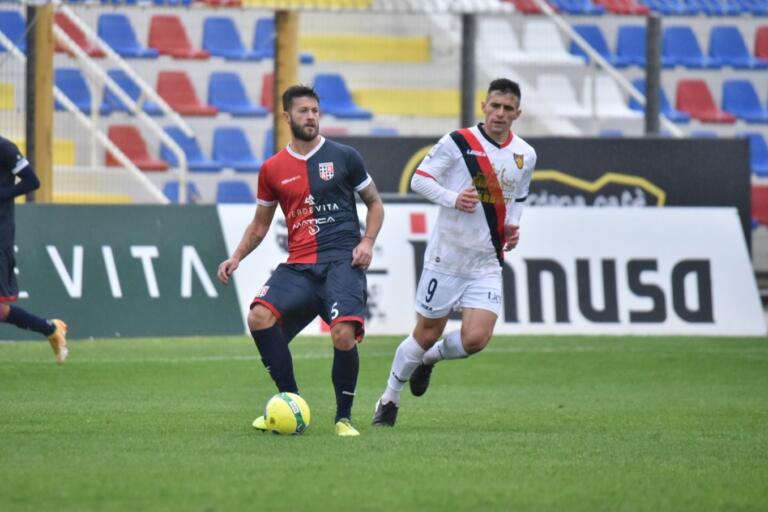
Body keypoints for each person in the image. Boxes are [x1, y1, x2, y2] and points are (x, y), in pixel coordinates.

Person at [218, 85, 384, 437]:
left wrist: (367, 241)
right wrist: (236, 257)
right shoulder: (272, 169)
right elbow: (260, 225)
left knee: (343, 334)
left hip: (342, 262)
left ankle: (343, 419)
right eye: (303, 111)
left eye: (314, 111)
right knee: (258, 316)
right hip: (300, 265)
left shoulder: (345, 156)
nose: (311, 117)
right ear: (287, 117)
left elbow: (375, 204)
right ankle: (291, 403)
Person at [372, 78, 536, 427]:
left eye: (508, 108)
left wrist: (512, 225)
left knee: (476, 339)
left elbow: (519, 196)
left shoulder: (525, 154)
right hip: (446, 258)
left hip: (486, 262)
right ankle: (389, 397)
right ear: (483, 106)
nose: (500, 113)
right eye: (495, 106)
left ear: (517, 114)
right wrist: (452, 198)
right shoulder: (459, 142)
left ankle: (429, 360)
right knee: (426, 332)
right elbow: (419, 179)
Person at [0, 136, 68, 363]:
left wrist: (2, 195)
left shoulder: (5, 148)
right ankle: (50, 329)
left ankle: (51, 329)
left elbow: (32, 181)